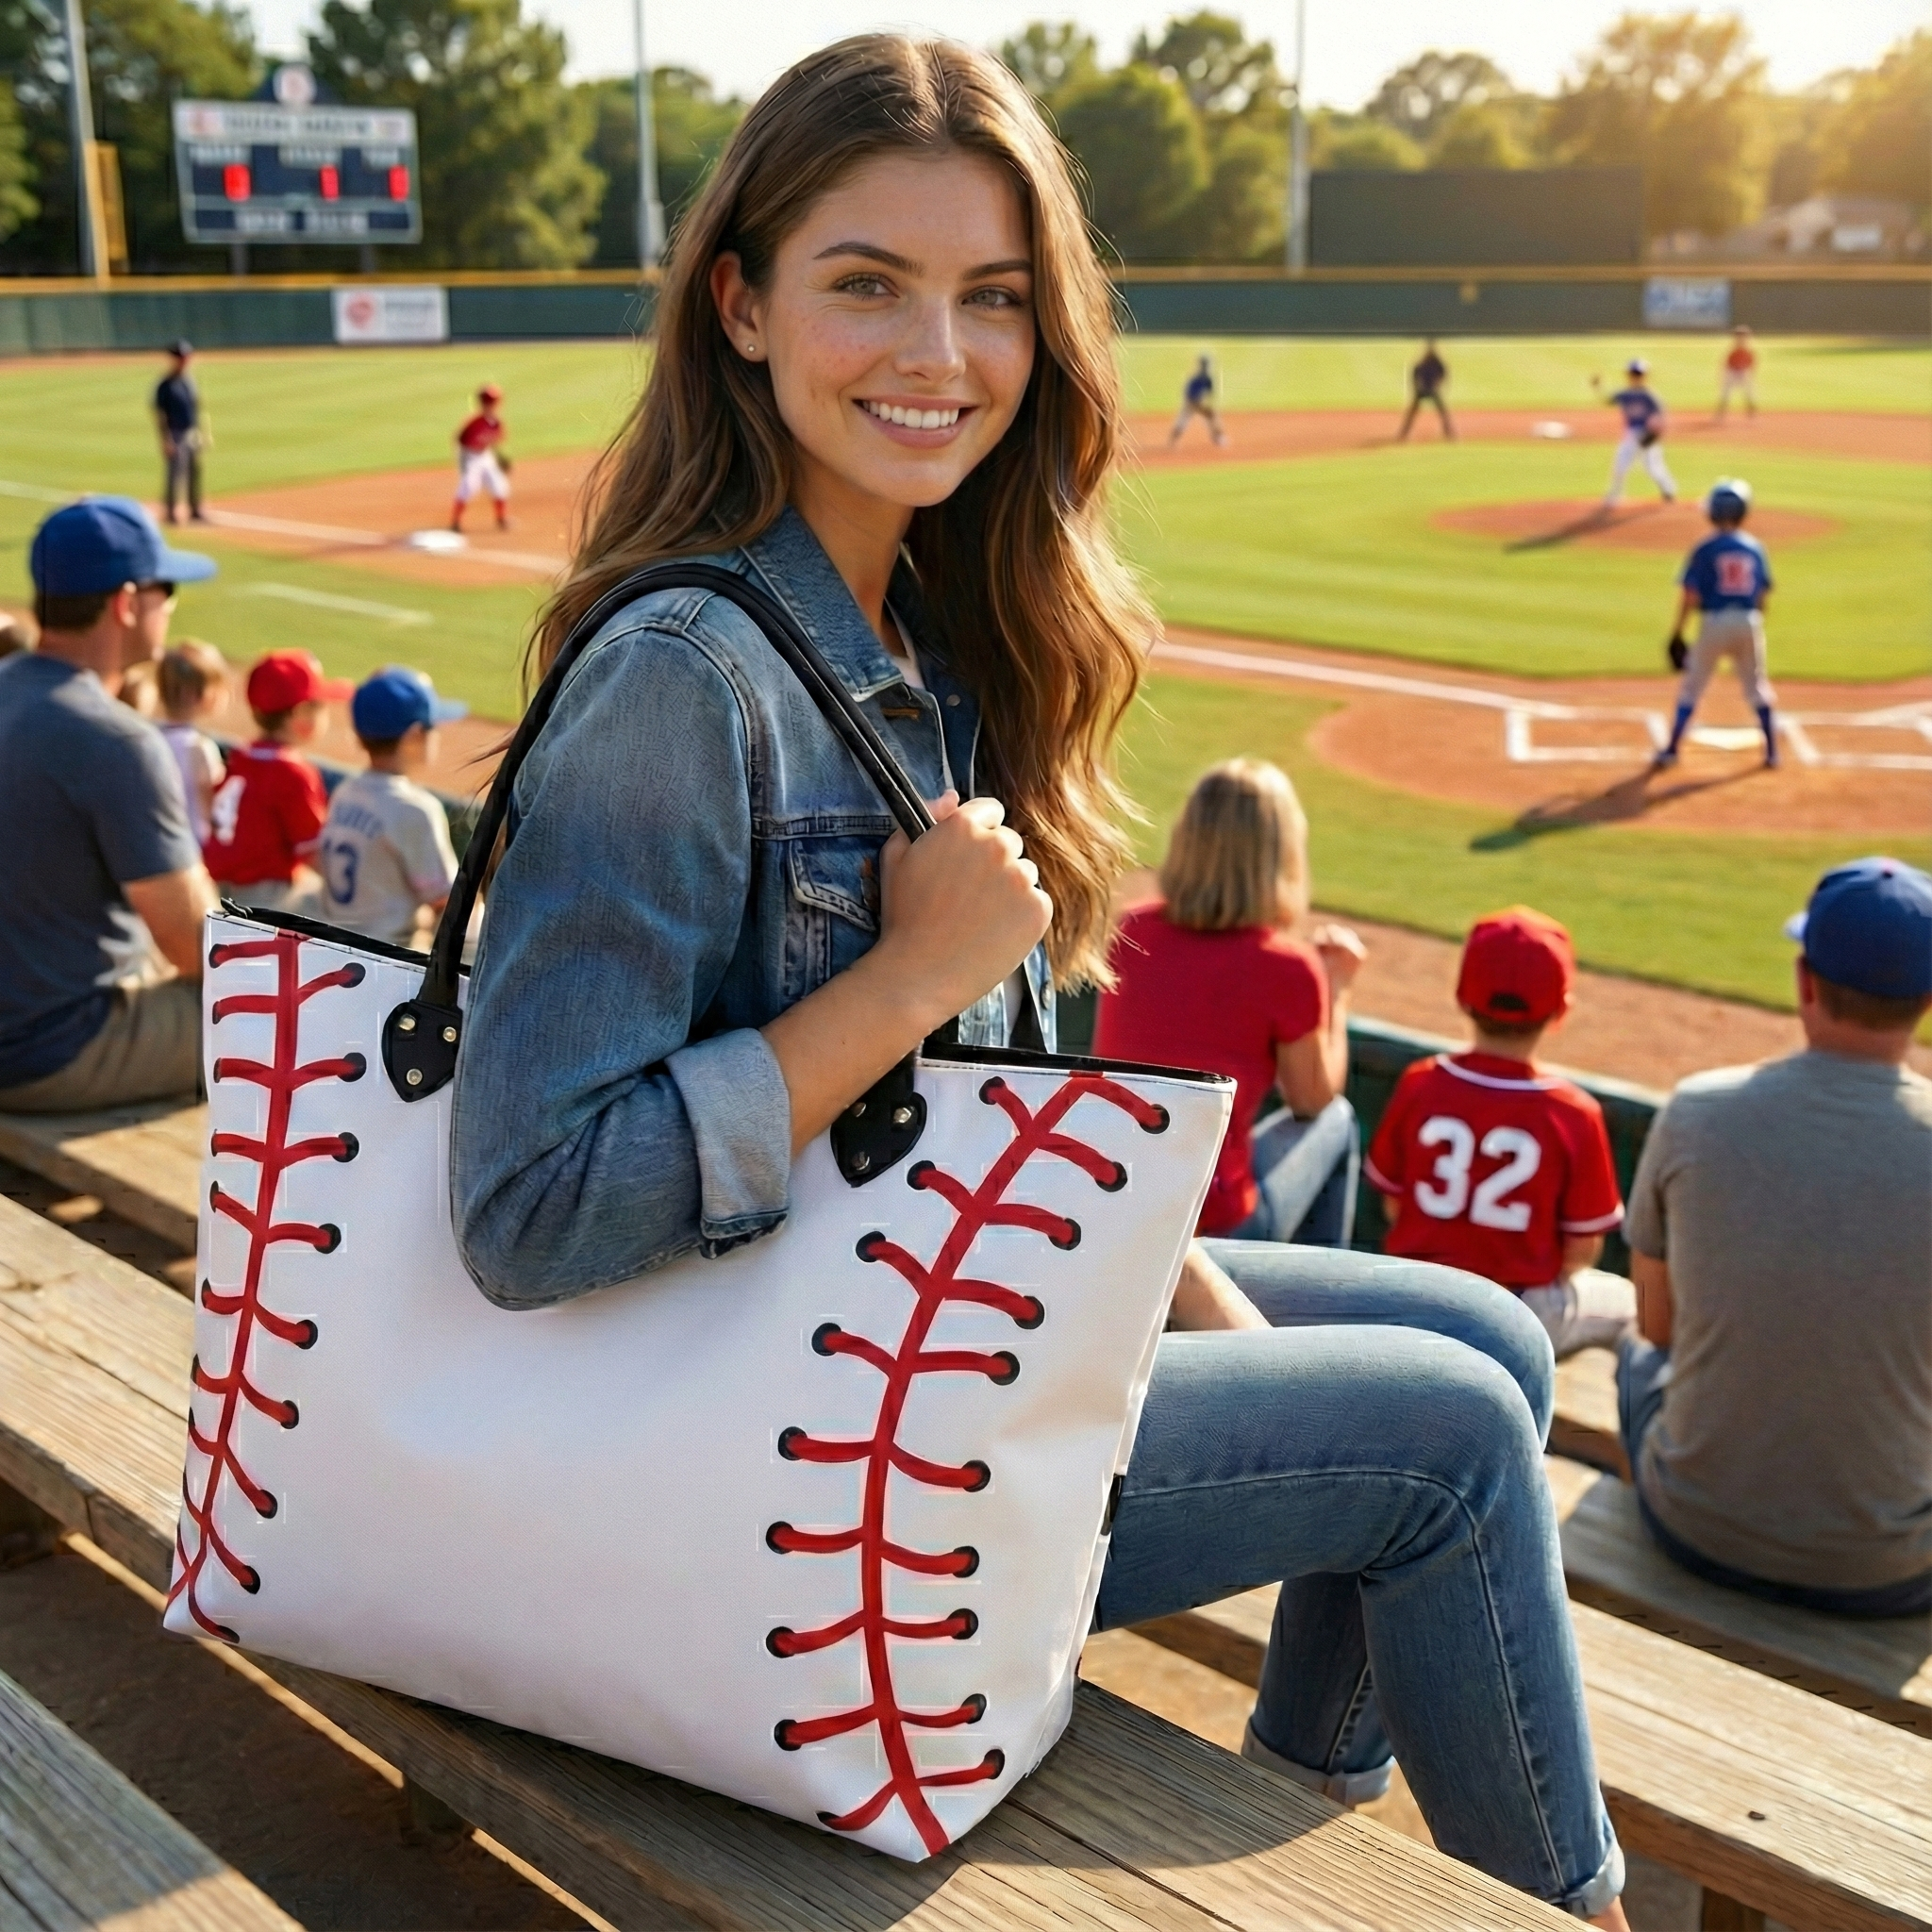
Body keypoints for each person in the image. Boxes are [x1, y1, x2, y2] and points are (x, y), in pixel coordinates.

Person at [447, 37, 1627, 1920]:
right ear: (740, 305)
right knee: (1461, 1424)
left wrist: (1228, 1343)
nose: (941, 354)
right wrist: (908, 978)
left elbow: (1007, 1125)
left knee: (1469, 1337)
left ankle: (1316, 1826)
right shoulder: (688, 670)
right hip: (780, 1436)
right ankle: (1575, 1907)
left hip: (914, 1296)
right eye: (867, 284)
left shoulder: (928, 633)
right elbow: (528, 1207)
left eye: (992, 297)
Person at [1620, 858, 1932, 1617]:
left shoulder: (1694, 1110)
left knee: (1630, 1350)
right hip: (1892, 1574)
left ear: (1804, 981)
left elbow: (1660, 1329)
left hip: (1691, 1529)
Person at [0, 497, 219, 1112]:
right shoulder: (116, 739)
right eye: (164, 588)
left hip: (24, 1021)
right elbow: (198, 946)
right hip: (44, 1052)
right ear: (126, 603)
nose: (171, 605)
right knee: (274, 1019)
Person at [1092, 760, 1362, 1246]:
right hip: (1215, 1227)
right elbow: (1313, 1101)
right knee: (1338, 1123)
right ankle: (1317, 1302)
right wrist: (1336, 990)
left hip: (1111, 1198)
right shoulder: (1287, 966)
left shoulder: (1131, 930)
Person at [1366, 908, 1633, 1360]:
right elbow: (1582, 1251)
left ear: (1462, 997)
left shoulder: (1421, 1082)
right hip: (1517, 1315)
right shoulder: (1573, 1112)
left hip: (1414, 1298)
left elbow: (1394, 1203)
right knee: (1636, 1306)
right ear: (1561, 1010)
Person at [317, 666, 465, 947]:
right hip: (388, 958)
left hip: (333, 947)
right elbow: (448, 903)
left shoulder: (344, 793)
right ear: (414, 736)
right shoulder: (415, 809)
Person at [205, 650, 350, 913]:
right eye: (318, 705)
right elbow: (314, 852)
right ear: (300, 715)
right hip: (262, 898)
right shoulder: (292, 770)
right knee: (347, 913)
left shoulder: (242, 755)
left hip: (216, 888)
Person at [1653, 478, 1777, 771]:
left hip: (1715, 622)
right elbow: (1762, 594)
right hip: (1749, 620)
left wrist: (1677, 632)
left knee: (1692, 686)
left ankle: (1671, 750)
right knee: (1757, 686)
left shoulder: (1705, 549)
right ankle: (1772, 753)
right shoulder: (1755, 548)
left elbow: (1690, 594)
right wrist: (1752, 624)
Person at [157, 641, 231, 845]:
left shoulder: (149, 739)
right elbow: (213, 808)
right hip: (193, 847)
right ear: (206, 696)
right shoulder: (199, 748)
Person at [1591, 358, 1675, 508]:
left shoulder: (1649, 395)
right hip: (1630, 435)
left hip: (1647, 435)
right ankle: (1614, 495)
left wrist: (1654, 434)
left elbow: (1661, 415)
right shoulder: (1626, 394)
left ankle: (1668, 490)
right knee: (1620, 465)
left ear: (1645, 376)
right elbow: (1607, 400)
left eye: (1639, 374)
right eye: (1633, 374)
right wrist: (1598, 387)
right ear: (1628, 375)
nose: (1636, 377)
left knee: (1653, 468)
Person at [154, 340, 208, 526]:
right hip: (175, 433)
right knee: (176, 474)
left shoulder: (189, 381)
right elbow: (160, 415)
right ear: (173, 359)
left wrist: (200, 433)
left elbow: (195, 408)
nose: (185, 361)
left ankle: (195, 510)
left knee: (195, 472)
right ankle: (170, 513)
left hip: (191, 432)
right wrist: (166, 439)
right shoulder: (165, 385)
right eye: (181, 357)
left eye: (186, 357)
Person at [451, 384, 511, 532]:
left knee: (499, 486)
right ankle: (455, 522)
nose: (491, 405)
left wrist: (499, 457)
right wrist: (464, 463)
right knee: (468, 486)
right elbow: (461, 442)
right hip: (470, 456)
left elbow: (492, 442)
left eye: (493, 402)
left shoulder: (496, 423)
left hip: (485, 456)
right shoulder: (474, 423)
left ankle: (501, 519)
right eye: (488, 402)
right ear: (483, 403)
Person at [1397, 338, 1454, 441]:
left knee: (1442, 411)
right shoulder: (1427, 362)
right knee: (1413, 412)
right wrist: (1418, 388)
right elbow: (1415, 376)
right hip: (1424, 391)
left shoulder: (1432, 362)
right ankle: (1403, 434)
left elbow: (1442, 375)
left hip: (1431, 391)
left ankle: (1449, 433)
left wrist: (1436, 386)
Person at [1167, 354, 1225, 447]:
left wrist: (1207, 406)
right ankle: (1172, 442)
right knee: (1183, 421)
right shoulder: (1196, 379)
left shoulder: (1207, 379)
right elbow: (1189, 395)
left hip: (1199, 403)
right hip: (1190, 403)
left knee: (1212, 416)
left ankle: (1218, 438)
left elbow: (1210, 394)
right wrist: (1198, 405)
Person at [1716, 325, 1757, 421]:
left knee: (1749, 392)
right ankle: (1721, 414)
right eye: (1739, 335)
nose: (1741, 337)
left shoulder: (1748, 350)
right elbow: (1727, 363)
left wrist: (1747, 371)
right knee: (1725, 393)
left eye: (1743, 335)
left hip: (1743, 372)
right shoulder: (1734, 351)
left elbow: (1751, 363)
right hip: (1732, 372)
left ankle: (1752, 414)